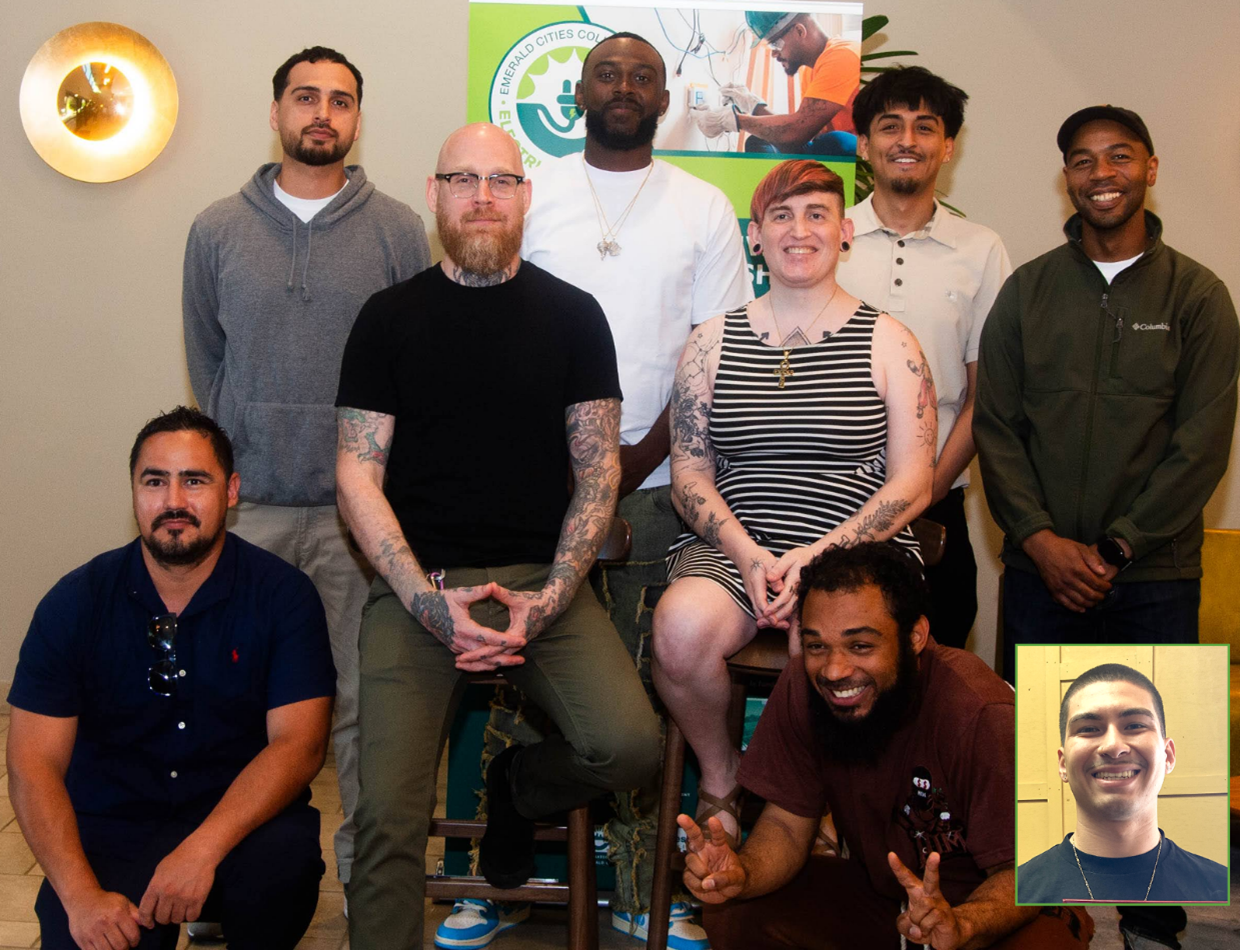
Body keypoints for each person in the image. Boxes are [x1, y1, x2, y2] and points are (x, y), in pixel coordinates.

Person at [335, 122, 661, 950]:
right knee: (386, 817)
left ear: (525, 195)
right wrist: (426, 602)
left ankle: (520, 780)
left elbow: (596, 475)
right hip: (420, 586)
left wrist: (550, 599)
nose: (482, 196)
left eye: (501, 181)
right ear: (436, 193)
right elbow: (356, 476)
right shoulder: (385, 318)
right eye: (462, 180)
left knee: (629, 746)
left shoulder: (574, 316)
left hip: (536, 580)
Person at [518, 31, 750, 947]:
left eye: (642, 76)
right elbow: (502, 334)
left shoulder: (702, 208)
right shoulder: (532, 192)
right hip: (536, 482)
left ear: (665, 97)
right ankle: (512, 872)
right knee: (525, 686)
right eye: (608, 73)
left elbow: (708, 356)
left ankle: (648, 880)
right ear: (579, 91)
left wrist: (624, 467)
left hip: (656, 486)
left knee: (649, 698)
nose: (624, 87)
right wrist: (573, 469)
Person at [181, 46, 430, 894]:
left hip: (358, 521)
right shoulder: (216, 228)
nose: (322, 113)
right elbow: (206, 361)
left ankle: (368, 884)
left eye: (341, 100)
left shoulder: (398, 228)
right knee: (231, 709)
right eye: (305, 97)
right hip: (247, 513)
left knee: (363, 710)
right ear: (278, 110)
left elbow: (413, 373)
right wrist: (224, 482)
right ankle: (227, 878)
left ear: (358, 118)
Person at [652, 159, 938, 849]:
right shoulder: (710, 344)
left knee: (841, 640)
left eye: (816, 215)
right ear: (755, 237)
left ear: (844, 233)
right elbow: (689, 474)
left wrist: (816, 559)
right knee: (680, 630)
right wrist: (750, 555)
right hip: (735, 552)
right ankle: (726, 781)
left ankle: (829, 799)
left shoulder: (890, 342)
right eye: (780, 216)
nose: (798, 230)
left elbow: (913, 484)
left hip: (851, 558)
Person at [7, 407, 336, 950]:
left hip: (238, 825)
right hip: (114, 826)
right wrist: (81, 896)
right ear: (133, 490)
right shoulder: (76, 602)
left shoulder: (283, 596)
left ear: (230, 491)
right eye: (155, 481)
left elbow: (300, 746)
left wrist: (202, 849)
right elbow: (32, 763)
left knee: (282, 871)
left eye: (195, 480)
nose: (174, 501)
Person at [676, 543, 1094, 950]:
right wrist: (742, 873)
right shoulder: (804, 686)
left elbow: (1027, 872)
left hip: (998, 909)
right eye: (817, 645)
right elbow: (787, 824)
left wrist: (962, 925)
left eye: (861, 645)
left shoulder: (982, 712)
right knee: (734, 909)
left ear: (915, 636)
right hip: (887, 901)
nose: (835, 670)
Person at [974, 106, 1239, 676]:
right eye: (1083, 161)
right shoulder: (1027, 291)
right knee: (1038, 758)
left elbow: (1203, 444)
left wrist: (1121, 546)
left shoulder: (1197, 296)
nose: (1102, 173)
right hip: (1040, 578)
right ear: (1066, 178)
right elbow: (997, 429)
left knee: (1153, 758)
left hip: (1155, 582)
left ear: (1151, 169)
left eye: (1120, 156)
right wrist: (1040, 542)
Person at [837, 66, 1012, 648]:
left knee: (934, 668)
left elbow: (986, 391)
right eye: (890, 126)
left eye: (925, 127)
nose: (906, 141)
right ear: (864, 144)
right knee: (824, 665)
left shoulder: (982, 250)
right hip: (826, 498)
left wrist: (926, 488)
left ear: (948, 146)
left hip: (938, 505)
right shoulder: (825, 237)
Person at [1018, 664, 1227, 915]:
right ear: (1063, 764)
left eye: (1135, 725)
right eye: (1088, 729)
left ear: (1168, 755)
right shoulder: (1020, 891)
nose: (1113, 746)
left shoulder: (1221, 887)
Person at [691, 12, 859, 156]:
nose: (774, 54)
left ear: (800, 31)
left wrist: (731, 120)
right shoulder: (810, 70)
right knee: (759, 141)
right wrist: (754, 105)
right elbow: (801, 129)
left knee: (835, 140)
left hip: (855, 160)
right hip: (828, 151)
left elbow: (796, 132)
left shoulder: (842, 56)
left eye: (775, 44)